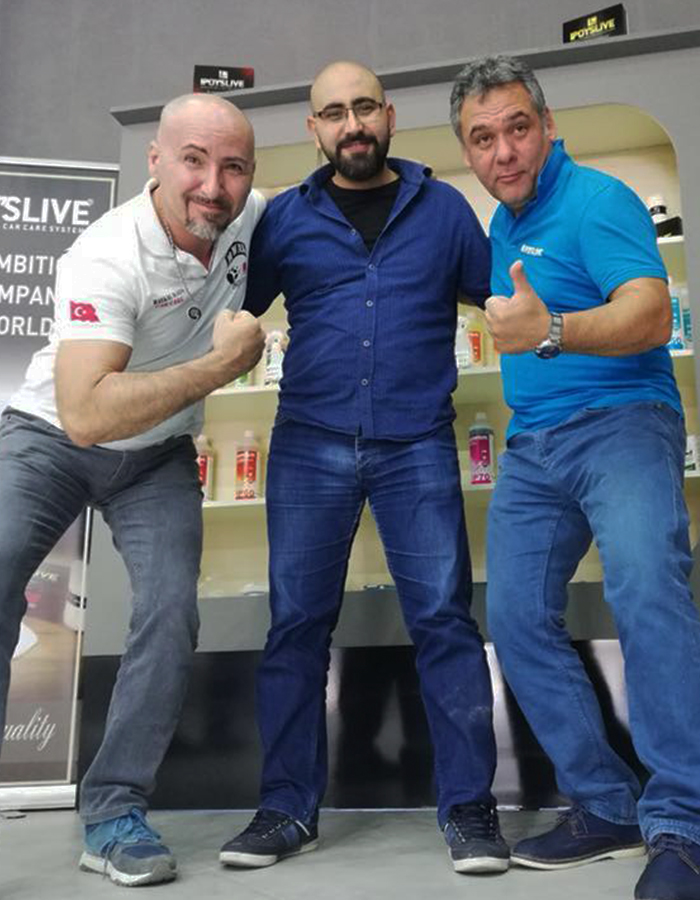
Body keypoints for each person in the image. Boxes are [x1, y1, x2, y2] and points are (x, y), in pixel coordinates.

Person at [219, 60, 509, 876]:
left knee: (445, 621)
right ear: (314, 128)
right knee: (295, 627)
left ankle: (470, 809)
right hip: (309, 441)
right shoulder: (284, 220)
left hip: (417, 440)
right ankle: (285, 809)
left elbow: (502, 303)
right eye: (334, 113)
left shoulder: (444, 211)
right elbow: (230, 311)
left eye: (364, 108)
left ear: (389, 116)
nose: (352, 124)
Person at [0, 92, 266, 887]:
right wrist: (221, 365)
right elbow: (86, 415)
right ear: (156, 160)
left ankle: (115, 812)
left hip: (156, 456)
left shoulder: (249, 215)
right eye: (193, 161)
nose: (213, 186)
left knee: (169, 611)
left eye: (233, 167)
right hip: (52, 439)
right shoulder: (106, 254)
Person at [451, 54, 700, 900]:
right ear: (468, 151)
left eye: (518, 128)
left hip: (623, 422)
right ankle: (607, 804)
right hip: (535, 446)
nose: (504, 151)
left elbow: (650, 313)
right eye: (483, 138)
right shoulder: (500, 224)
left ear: (548, 125)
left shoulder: (600, 200)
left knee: (647, 587)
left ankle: (684, 825)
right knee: (516, 618)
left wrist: (550, 328)